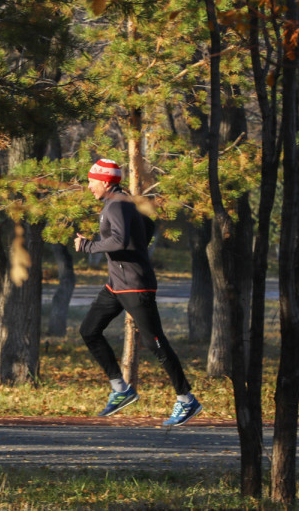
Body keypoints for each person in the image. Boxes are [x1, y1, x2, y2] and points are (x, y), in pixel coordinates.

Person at [74, 158, 202, 426]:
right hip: (117, 284)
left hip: (135, 286)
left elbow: (119, 240)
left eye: (91, 181)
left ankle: (186, 400)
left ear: (106, 182)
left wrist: (88, 246)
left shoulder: (118, 204)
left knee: (157, 344)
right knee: (89, 330)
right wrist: (137, 248)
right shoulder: (123, 202)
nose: (89, 187)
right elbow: (149, 227)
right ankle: (121, 389)